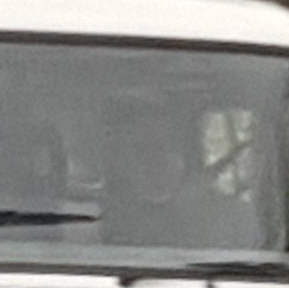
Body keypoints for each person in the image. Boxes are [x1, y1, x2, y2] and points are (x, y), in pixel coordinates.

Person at [102, 101, 259, 250]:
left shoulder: (235, 220)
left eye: (164, 147)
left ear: (184, 156)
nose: (155, 160)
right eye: (140, 150)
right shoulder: (98, 228)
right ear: (119, 162)